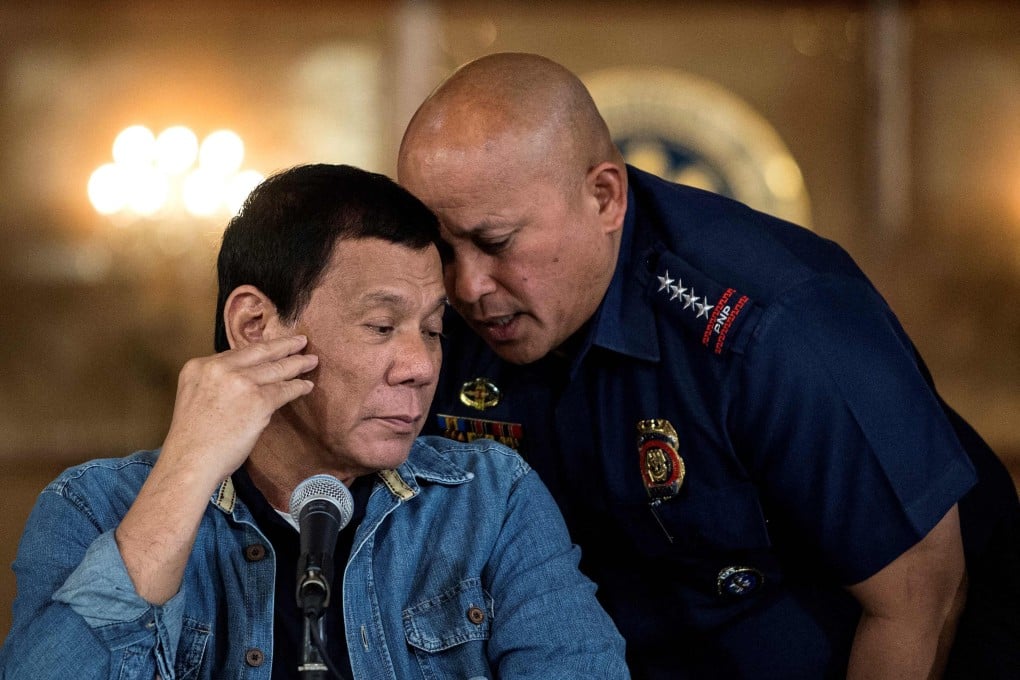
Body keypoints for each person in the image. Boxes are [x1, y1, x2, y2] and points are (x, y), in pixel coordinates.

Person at [397, 53, 1020, 679]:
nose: (468, 286)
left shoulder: (778, 325)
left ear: (604, 197)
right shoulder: (434, 313)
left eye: (496, 242)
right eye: (441, 247)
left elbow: (921, 600)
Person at [0, 163, 630, 679]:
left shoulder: (490, 499)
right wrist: (186, 472)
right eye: (382, 326)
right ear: (255, 327)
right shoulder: (92, 508)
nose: (419, 366)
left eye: (433, 331)